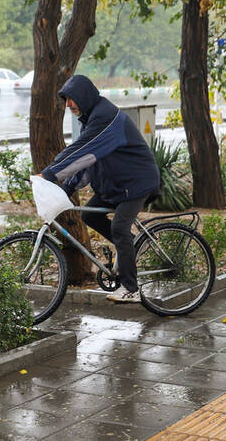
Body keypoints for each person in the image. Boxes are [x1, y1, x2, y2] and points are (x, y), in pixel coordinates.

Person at [39, 74, 160, 303]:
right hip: (116, 185)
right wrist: (65, 189)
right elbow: (87, 163)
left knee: (119, 228)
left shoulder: (105, 116)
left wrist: (49, 173)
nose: (68, 105)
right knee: (88, 215)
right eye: (65, 101)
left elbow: (81, 150)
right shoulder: (91, 118)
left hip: (135, 183)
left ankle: (130, 288)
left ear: (83, 96)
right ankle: (131, 248)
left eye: (71, 99)